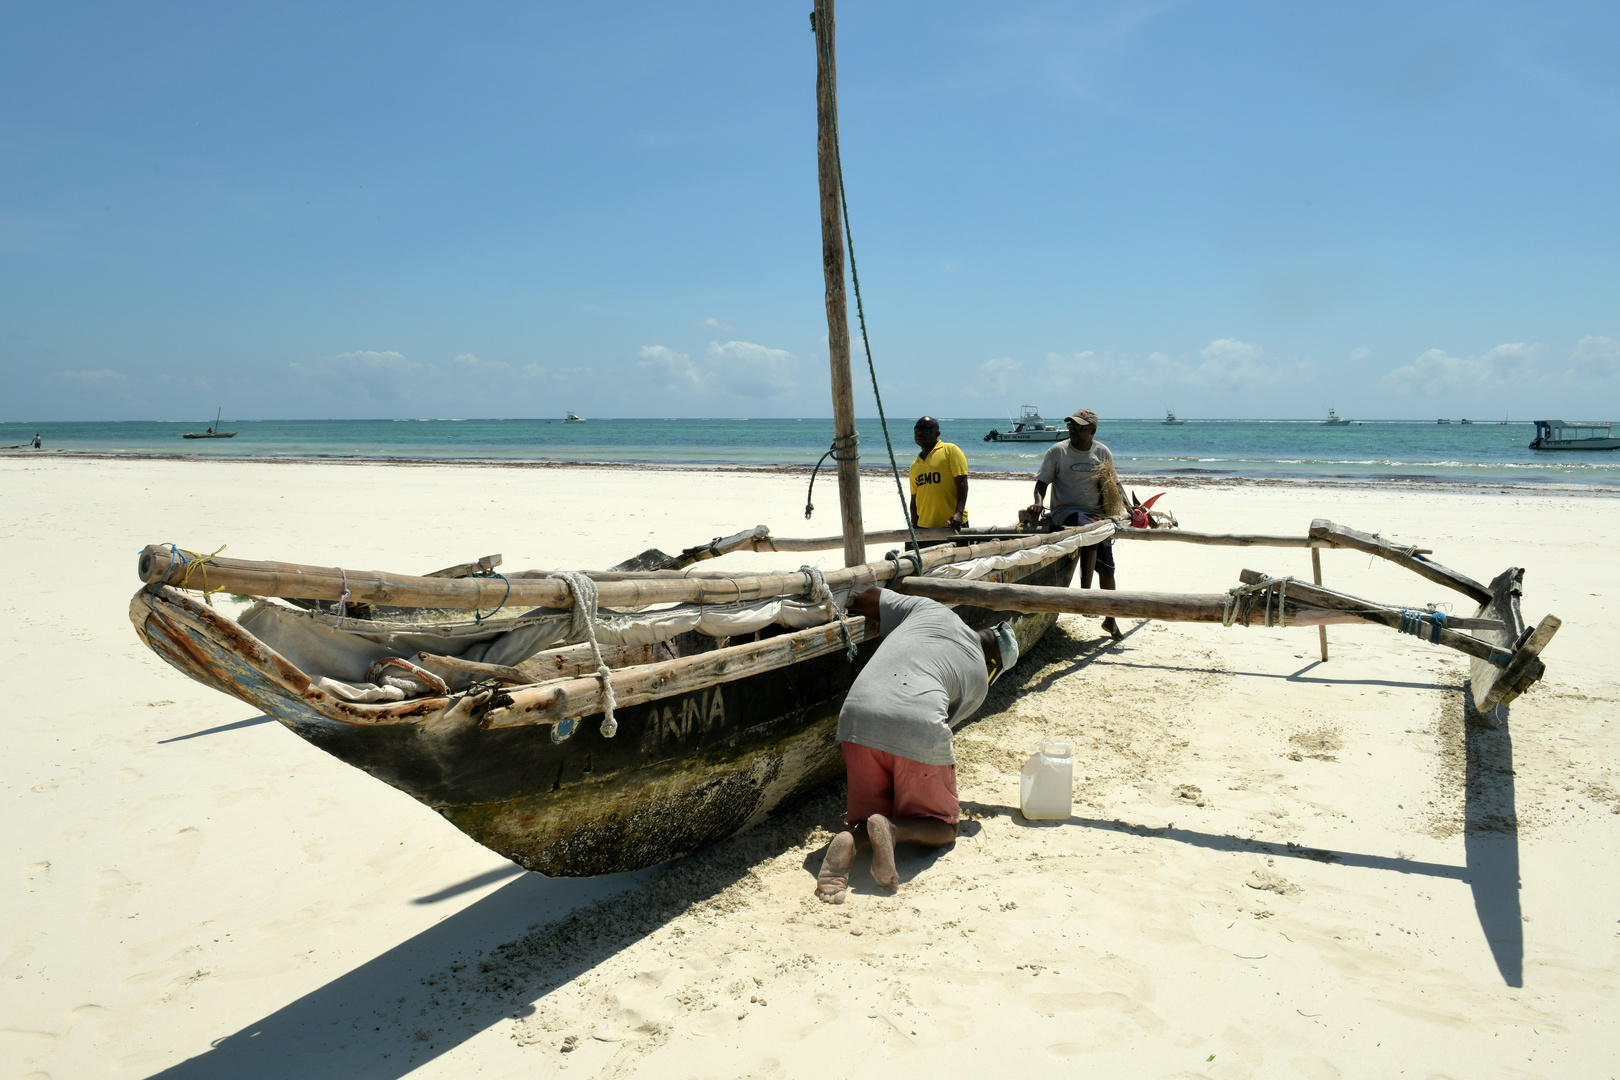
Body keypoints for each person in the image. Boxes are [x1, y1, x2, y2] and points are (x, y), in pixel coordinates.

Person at [815, 586, 1019, 903]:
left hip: (855, 717)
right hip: (915, 725)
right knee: (943, 827)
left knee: (866, 820)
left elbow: (867, 598)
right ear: (993, 664)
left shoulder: (929, 609)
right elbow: (925, 743)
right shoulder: (980, 681)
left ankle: (850, 839)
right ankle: (894, 831)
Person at [1029, 408, 1128, 640]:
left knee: (1107, 565)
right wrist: (1037, 502)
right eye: (1071, 426)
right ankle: (1085, 597)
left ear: (1092, 431)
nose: (1072, 430)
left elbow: (1114, 483)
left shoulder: (1102, 452)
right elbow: (1041, 482)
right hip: (1066, 511)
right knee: (1089, 529)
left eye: (1079, 427)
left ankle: (1110, 620)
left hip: (1095, 513)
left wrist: (1129, 507)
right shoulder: (1058, 451)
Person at [908, 416, 969, 531]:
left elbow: (962, 483)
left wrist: (959, 513)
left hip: (951, 524)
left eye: (926, 430)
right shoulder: (915, 465)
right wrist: (914, 524)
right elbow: (914, 498)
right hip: (924, 527)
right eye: (917, 430)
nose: (920, 434)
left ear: (937, 434)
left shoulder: (950, 450)